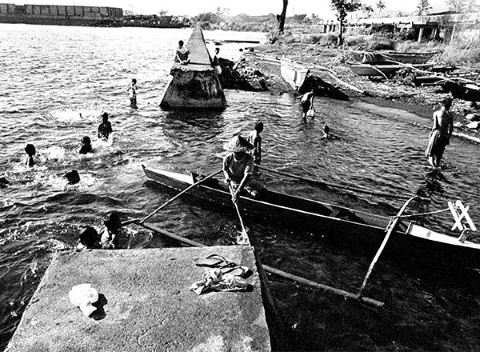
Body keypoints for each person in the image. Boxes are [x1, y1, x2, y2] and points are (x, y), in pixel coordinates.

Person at [223, 135, 264, 203]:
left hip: (248, 181)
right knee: (255, 195)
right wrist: (227, 177)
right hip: (235, 182)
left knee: (264, 192)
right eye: (238, 152)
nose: (241, 154)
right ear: (233, 151)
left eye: (243, 151)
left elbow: (247, 176)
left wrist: (238, 192)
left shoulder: (249, 158)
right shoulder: (227, 158)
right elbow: (225, 169)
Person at [425, 98, 454, 168]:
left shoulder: (436, 113)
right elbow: (451, 128)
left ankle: (433, 167)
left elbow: (435, 126)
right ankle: (436, 166)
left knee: (431, 153)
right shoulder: (450, 115)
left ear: (442, 105)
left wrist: (431, 133)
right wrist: (448, 138)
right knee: (439, 155)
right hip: (444, 135)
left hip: (437, 133)